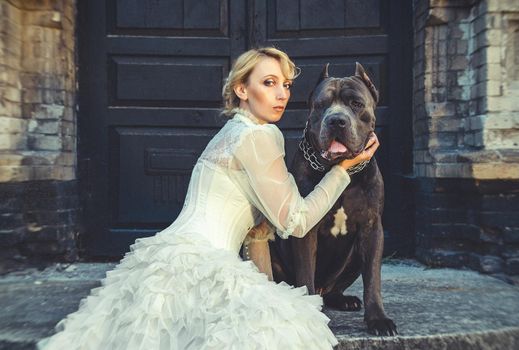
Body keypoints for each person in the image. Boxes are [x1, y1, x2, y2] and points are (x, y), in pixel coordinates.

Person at [37, 47, 379, 350]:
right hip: (204, 268)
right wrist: (344, 170)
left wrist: (266, 286)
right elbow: (298, 221)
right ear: (242, 89)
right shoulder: (261, 137)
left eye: (286, 85)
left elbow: (258, 232)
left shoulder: (234, 130)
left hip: (167, 262)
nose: (281, 95)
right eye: (269, 83)